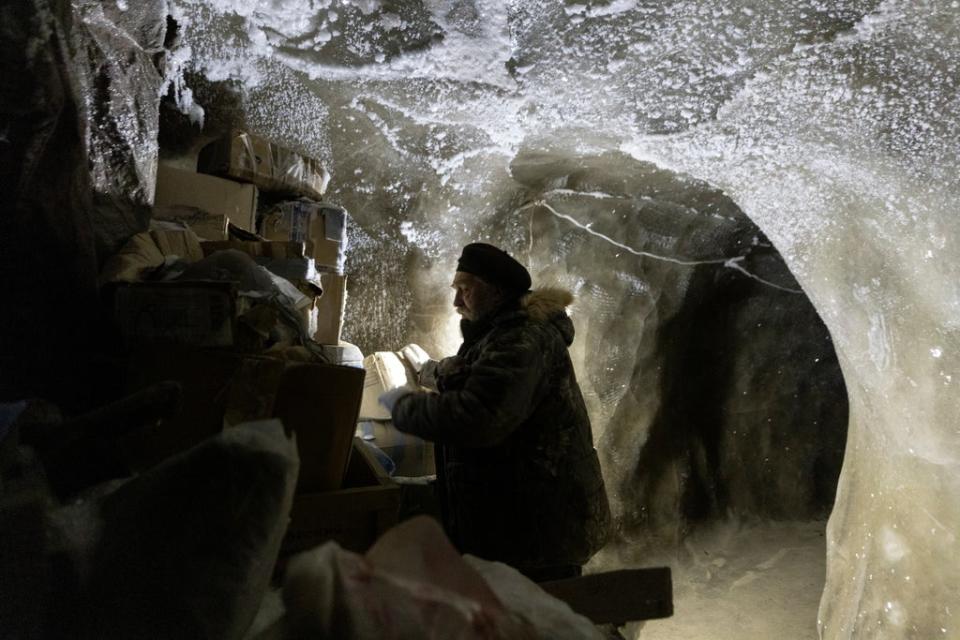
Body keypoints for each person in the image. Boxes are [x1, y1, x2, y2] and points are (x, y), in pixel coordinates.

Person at [379, 242, 611, 581]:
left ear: (496, 291)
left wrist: (406, 408)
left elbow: (480, 417)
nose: (457, 302)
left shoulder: (524, 337)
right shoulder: (501, 332)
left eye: (465, 290)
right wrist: (434, 371)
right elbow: (478, 371)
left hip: (539, 529)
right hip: (522, 521)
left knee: (535, 623)